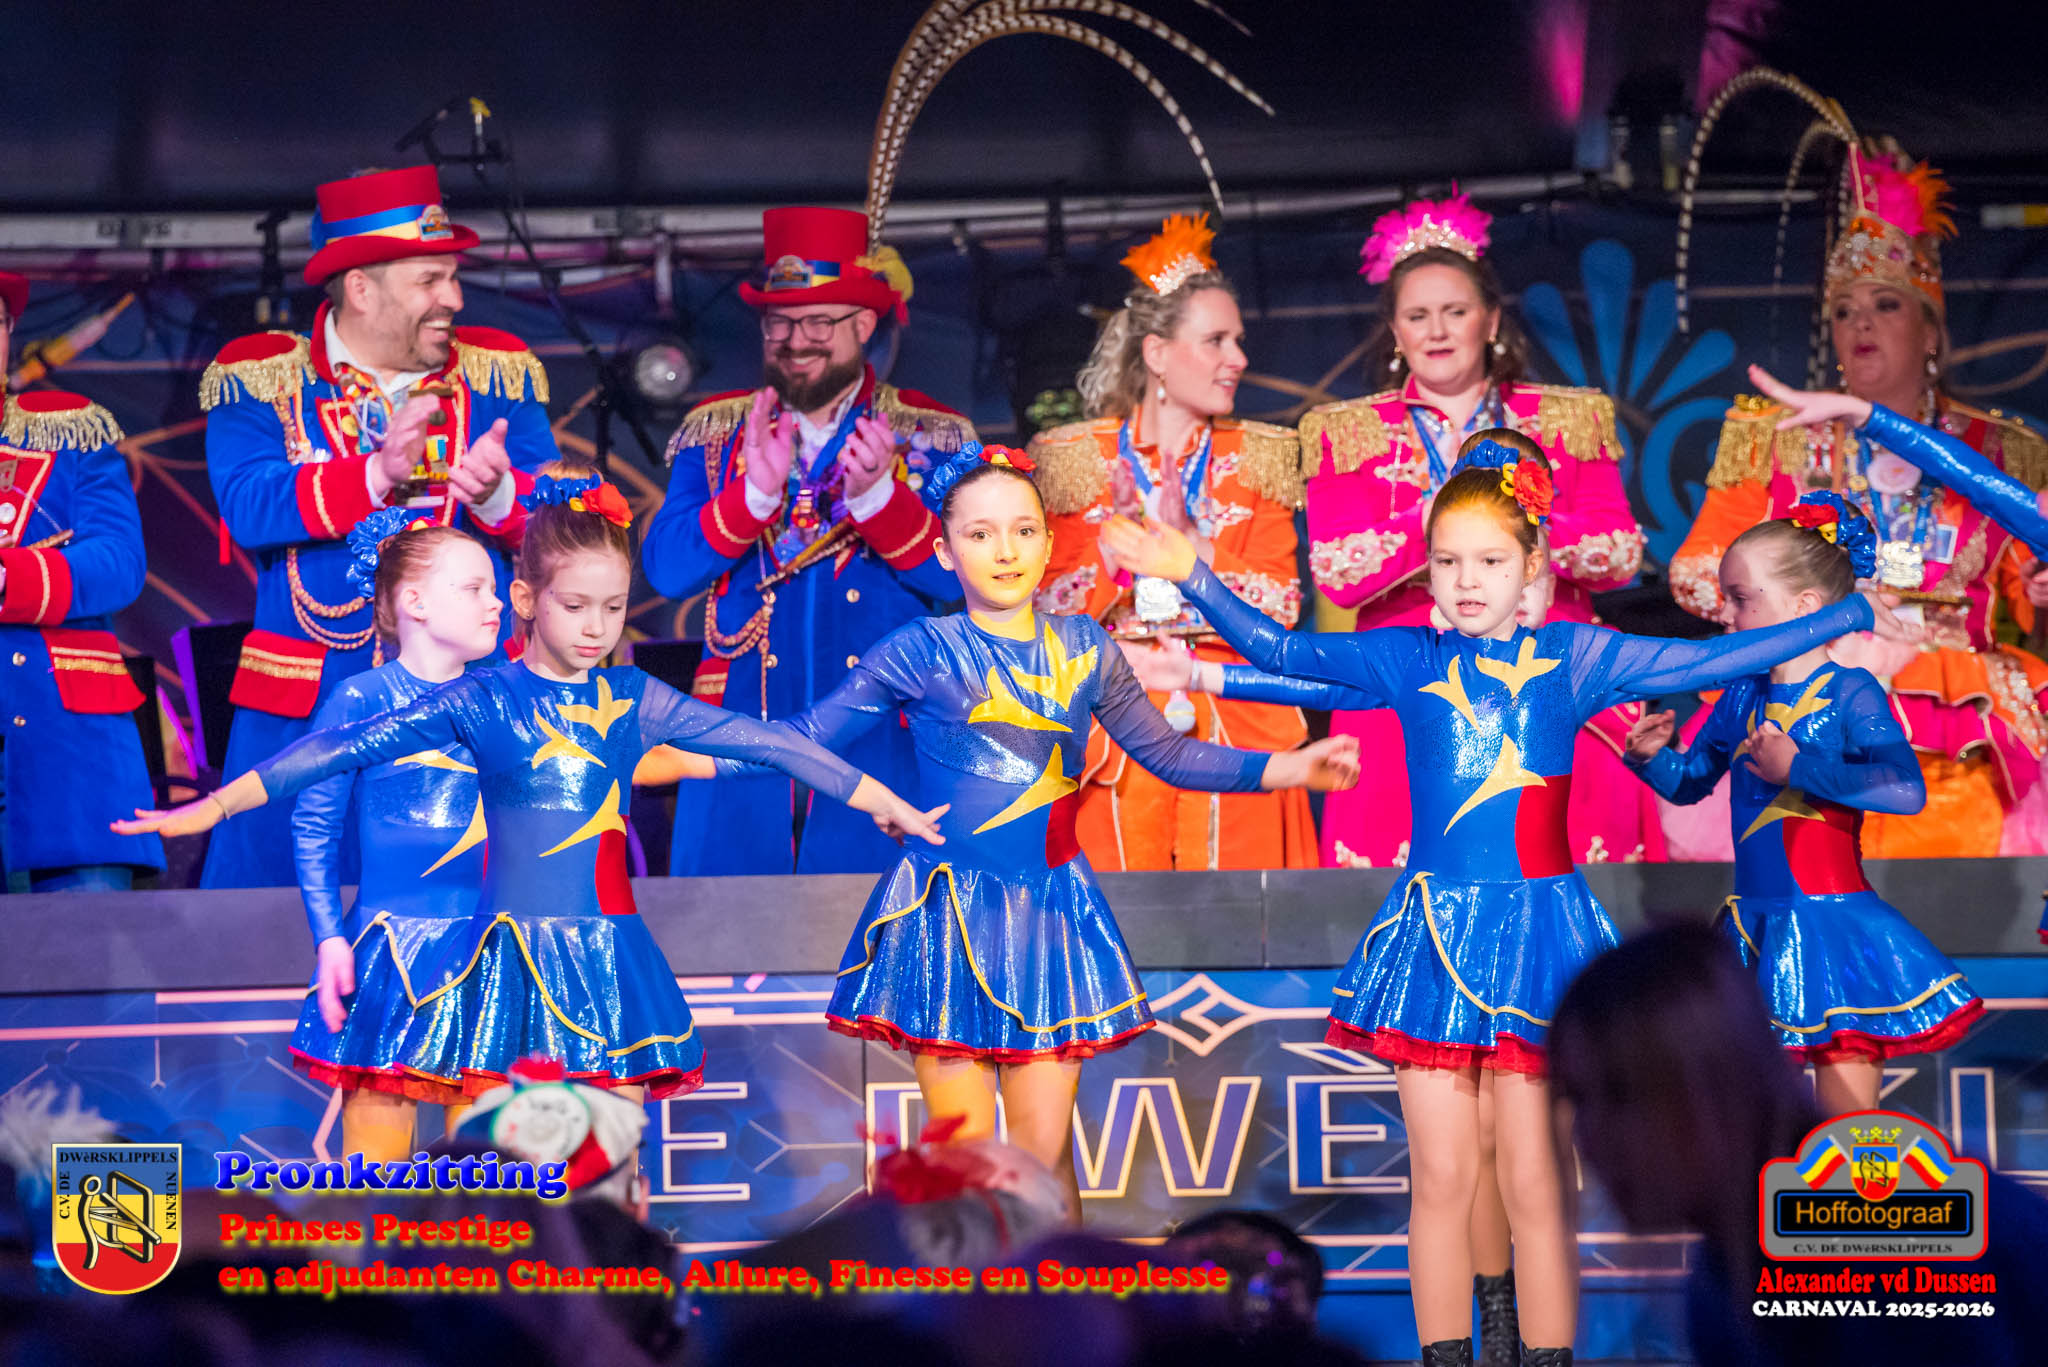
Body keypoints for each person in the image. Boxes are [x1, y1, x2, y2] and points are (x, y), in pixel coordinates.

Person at [1101, 428, 1916, 1367]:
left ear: (1532, 567)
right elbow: (1281, 645)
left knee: (1537, 1185)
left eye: (1489, 560)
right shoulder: (1406, 657)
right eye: (1447, 561)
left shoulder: (1577, 656)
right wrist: (1192, 574)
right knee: (1443, 1180)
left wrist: (1844, 610)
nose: (1465, 580)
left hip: (1540, 930)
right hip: (1434, 935)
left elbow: (1712, 662)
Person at [115, 466, 943, 1107]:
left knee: (609, 1177)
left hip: (607, 955)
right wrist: (214, 805)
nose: (596, 627)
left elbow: (774, 743)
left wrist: (881, 797)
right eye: (576, 605)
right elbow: (331, 754)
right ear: (528, 598)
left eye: (613, 608)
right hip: (500, 961)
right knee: (495, 1181)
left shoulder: (632, 696)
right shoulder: (481, 699)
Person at [752, 444, 1356, 1217]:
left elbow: (1169, 753)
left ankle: (1061, 1295)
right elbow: (804, 735)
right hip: (946, 921)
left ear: (1048, 542)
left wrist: (1289, 768)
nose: (1005, 550)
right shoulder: (919, 649)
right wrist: (677, 743)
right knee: (965, 1171)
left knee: (1041, 1165)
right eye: (980, 534)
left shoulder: (1084, 647)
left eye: (1024, 530)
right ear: (944, 550)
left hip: (1050, 918)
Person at [1669, 145, 2048, 857]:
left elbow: (2026, 597)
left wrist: (2036, 587)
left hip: (1955, 703)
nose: (1861, 324)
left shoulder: (1999, 451)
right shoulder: (1775, 438)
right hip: (1815, 684)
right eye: (1844, 311)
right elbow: (1695, 571)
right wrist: (1793, 603)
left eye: (1885, 305)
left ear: (1931, 330)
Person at [199, 164, 559, 889]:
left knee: (476, 913)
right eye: (431, 280)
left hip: (468, 710)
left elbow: (560, 529)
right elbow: (248, 505)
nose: (453, 298)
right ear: (362, 287)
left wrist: (499, 499)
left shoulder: (497, 377)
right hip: (302, 715)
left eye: (452, 277)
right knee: (270, 928)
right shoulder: (262, 379)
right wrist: (374, 473)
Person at [1623, 490, 1980, 1114]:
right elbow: (1692, 783)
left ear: (1806, 607)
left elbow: (1905, 790)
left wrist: (1799, 769)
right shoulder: (1740, 695)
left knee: (1847, 1129)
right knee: (1757, 1123)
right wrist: (1653, 758)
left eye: (1740, 599)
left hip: (1833, 927)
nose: (1724, 614)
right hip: (1753, 931)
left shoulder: (1851, 692)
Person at [642, 206, 973, 876]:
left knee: (877, 921)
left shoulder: (930, 435)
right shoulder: (717, 434)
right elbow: (667, 570)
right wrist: (751, 498)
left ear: (864, 325)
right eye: (780, 322)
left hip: (879, 743)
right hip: (740, 736)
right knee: (728, 928)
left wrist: (880, 501)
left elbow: (962, 580)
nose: (797, 340)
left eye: (820, 321)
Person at [1549, 923, 2048, 1367]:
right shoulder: (1725, 1273)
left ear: (1701, 1085)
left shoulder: (1871, 1242)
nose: (1587, 1138)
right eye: (1575, 1100)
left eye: (1617, 1096)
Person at [1027, 212, 1314, 871]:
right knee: (1117, 922)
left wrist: (1196, 553)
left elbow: (1282, 607)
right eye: (1216, 341)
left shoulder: (1261, 456)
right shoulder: (1075, 458)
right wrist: (1111, 555)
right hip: (1112, 726)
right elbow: (1038, 616)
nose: (1239, 359)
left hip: (1237, 716)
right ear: (1156, 353)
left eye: (1238, 341)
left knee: (1246, 922)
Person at [287, 509, 504, 1159]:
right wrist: (329, 936)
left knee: (495, 1174)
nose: (496, 604)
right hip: (386, 951)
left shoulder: (504, 700)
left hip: (488, 952)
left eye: (495, 590)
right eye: (474, 589)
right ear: (414, 602)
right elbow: (314, 823)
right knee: (375, 1178)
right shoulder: (360, 699)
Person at [0, 271, 164, 891]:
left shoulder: (67, 431)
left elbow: (118, 563)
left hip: (71, 759)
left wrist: (7, 579)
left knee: (91, 948)